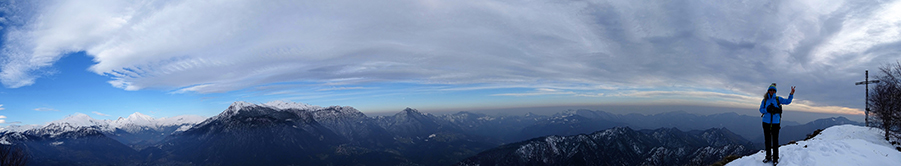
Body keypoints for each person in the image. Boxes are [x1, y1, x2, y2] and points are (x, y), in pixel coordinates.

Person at [759, 83, 794, 164]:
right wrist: (767, 110)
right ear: (768, 91)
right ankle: (768, 156)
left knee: (775, 141)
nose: (772, 92)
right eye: (770, 90)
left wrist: (791, 94)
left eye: (773, 90)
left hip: (775, 123)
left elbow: (788, 101)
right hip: (766, 122)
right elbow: (761, 109)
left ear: (775, 91)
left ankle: (775, 158)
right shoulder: (764, 100)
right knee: (767, 140)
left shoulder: (778, 99)